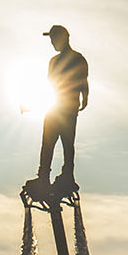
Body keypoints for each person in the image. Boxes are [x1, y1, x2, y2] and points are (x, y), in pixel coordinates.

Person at [37, 25, 89, 184]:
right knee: (49, 143)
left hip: (66, 108)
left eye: (54, 39)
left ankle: (66, 175)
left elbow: (83, 81)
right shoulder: (55, 61)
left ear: (64, 38)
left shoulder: (77, 59)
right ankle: (44, 176)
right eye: (51, 40)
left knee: (66, 143)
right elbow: (49, 84)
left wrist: (85, 97)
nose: (52, 43)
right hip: (56, 106)